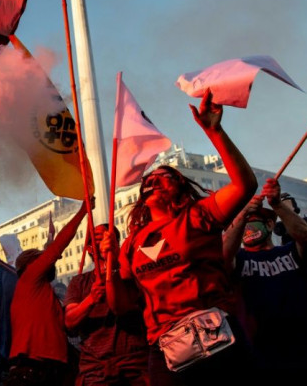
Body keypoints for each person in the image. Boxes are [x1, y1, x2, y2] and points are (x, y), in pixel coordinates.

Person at [109, 89, 258, 386]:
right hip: (166, 348)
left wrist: (214, 131)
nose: (153, 180)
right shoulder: (131, 243)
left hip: (218, 338)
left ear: (180, 185)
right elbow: (121, 305)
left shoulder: (198, 216)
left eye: (164, 176)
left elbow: (245, 185)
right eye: (149, 180)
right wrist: (111, 265)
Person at [222, 178, 307, 385]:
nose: (247, 226)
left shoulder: (291, 252)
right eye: (244, 223)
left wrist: (277, 204)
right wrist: (243, 214)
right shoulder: (239, 260)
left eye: (253, 220)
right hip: (262, 362)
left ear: (270, 224)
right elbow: (224, 254)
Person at [4, 201, 90, 386]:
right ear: (31, 265)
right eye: (42, 258)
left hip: (52, 365)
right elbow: (58, 246)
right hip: (34, 366)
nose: (52, 261)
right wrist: (83, 211)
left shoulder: (42, 293)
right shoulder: (29, 278)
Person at [64, 224, 149, 386]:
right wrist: (90, 299)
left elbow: (124, 307)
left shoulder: (131, 273)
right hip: (95, 369)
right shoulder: (79, 282)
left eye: (108, 237)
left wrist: (114, 267)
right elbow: (69, 322)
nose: (104, 241)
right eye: (97, 238)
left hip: (134, 365)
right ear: (89, 248)